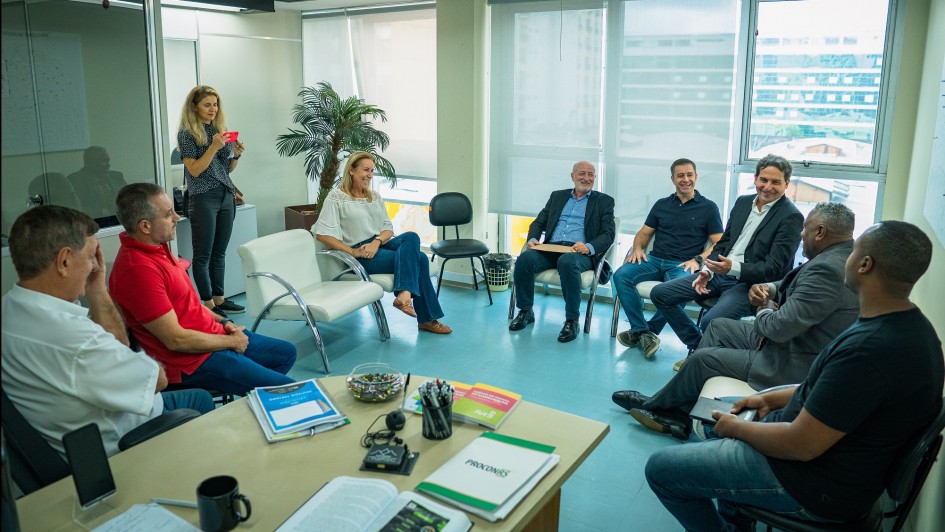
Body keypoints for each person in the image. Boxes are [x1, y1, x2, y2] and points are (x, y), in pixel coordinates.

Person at [645, 220, 943, 529]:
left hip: (813, 484)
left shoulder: (869, 352)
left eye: (854, 251)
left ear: (865, 264)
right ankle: (736, 513)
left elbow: (801, 445)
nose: (847, 257)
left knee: (663, 468)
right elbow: (836, 388)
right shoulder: (912, 328)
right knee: (714, 416)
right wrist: (773, 396)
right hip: (826, 454)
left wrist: (738, 430)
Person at [614, 202, 859, 440]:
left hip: (790, 361)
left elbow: (776, 328)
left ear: (821, 232)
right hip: (792, 339)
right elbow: (792, 284)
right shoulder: (840, 257)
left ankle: (660, 407)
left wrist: (764, 306)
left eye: (806, 229)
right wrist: (769, 289)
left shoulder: (826, 269)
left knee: (702, 359)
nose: (802, 234)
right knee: (718, 326)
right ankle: (680, 409)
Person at [1, 206, 214, 457]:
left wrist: (97, 290)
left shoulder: (11, 309)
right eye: (92, 256)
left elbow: (117, 353)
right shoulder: (75, 340)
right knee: (200, 400)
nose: (95, 266)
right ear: (64, 261)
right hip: (123, 441)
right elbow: (157, 380)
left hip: (70, 434)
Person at [109, 183, 297, 395]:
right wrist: (231, 341)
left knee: (286, 353)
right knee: (289, 391)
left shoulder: (158, 248)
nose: (176, 218)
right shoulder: (138, 270)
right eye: (168, 214)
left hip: (211, 337)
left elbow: (190, 305)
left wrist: (225, 323)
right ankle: (257, 398)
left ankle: (256, 398)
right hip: (193, 361)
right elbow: (176, 340)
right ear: (145, 226)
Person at [650, 154, 804, 354]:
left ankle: (700, 356)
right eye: (763, 180)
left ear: (786, 184)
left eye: (775, 182)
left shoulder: (791, 216)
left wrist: (733, 268)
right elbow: (723, 243)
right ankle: (698, 346)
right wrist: (708, 271)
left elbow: (775, 268)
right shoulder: (743, 202)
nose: (767, 187)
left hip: (749, 284)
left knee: (710, 321)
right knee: (660, 294)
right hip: (718, 273)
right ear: (755, 178)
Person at [314, 151, 452, 334]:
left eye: (372, 171)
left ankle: (404, 294)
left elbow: (388, 229)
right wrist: (352, 251)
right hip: (361, 253)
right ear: (351, 171)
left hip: (378, 244)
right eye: (365, 170)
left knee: (411, 236)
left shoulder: (374, 197)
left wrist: (377, 242)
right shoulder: (336, 197)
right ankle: (426, 318)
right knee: (420, 259)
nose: (370, 175)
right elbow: (322, 234)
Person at [612, 158, 723, 358]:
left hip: (683, 263)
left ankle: (648, 331)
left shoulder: (708, 208)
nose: (685, 179)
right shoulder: (662, 204)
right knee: (621, 275)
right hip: (654, 260)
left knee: (679, 291)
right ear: (673, 179)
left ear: (696, 177)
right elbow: (644, 233)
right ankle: (641, 330)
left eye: (689, 175)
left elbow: (719, 243)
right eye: (680, 175)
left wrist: (697, 260)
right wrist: (637, 248)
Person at [509, 161, 616, 343]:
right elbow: (538, 223)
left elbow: (608, 234)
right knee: (525, 259)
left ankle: (572, 320)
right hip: (552, 248)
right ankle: (526, 311)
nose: (586, 178)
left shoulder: (604, 201)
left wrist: (588, 246)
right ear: (572, 176)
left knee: (567, 262)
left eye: (591, 174)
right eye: (582, 173)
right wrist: (533, 239)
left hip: (579, 253)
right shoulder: (558, 196)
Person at [177, 85, 246, 317]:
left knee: (220, 252)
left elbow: (225, 169)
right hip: (203, 196)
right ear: (194, 107)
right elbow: (195, 170)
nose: (213, 109)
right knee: (203, 254)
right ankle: (208, 305)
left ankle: (220, 299)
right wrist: (214, 147)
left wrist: (235, 155)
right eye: (207, 105)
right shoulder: (187, 134)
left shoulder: (219, 130)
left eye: (215, 104)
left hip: (225, 194)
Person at [67, 146, 128, 222]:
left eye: (108, 160)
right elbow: (75, 208)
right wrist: (103, 212)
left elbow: (130, 199)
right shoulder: (75, 180)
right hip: (93, 223)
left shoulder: (116, 176)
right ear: (90, 163)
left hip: (121, 221)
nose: (108, 165)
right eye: (103, 161)